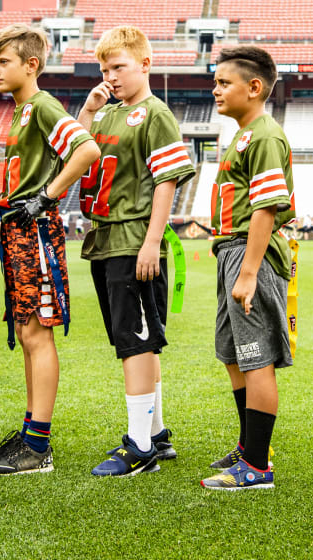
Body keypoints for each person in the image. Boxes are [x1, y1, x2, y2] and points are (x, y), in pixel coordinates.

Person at [0, 24, 98, 477]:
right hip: (15, 230)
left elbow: (85, 151)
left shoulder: (43, 106)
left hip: (36, 231)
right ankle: (30, 434)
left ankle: (39, 446)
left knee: (37, 333)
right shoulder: (21, 110)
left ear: (31, 64)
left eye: (3, 61)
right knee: (27, 333)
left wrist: (47, 196)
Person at [76, 26, 195, 477]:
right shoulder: (107, 114)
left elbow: (166, 181)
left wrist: (151, 241)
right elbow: (75, 153)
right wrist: (88, 109)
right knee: (131, 340)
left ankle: (139, 446)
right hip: (105, 239)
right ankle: (157, 435)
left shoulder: (154, 113)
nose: (111, 77)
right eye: (105, 70)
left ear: (145, 64)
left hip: (132, 239)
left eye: (119, 67)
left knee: (136, 342)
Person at [201, 46, 294, 490]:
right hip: (232, 251)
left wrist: (250, 270)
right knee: (235, 356)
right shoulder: (243, 133)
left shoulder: (264, 135)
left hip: (249, 254)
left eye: (224, 82)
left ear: (254, 88)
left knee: (257, 359)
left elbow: (267, 208)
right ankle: (248, 445)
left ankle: (257, 466)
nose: (215, 89)